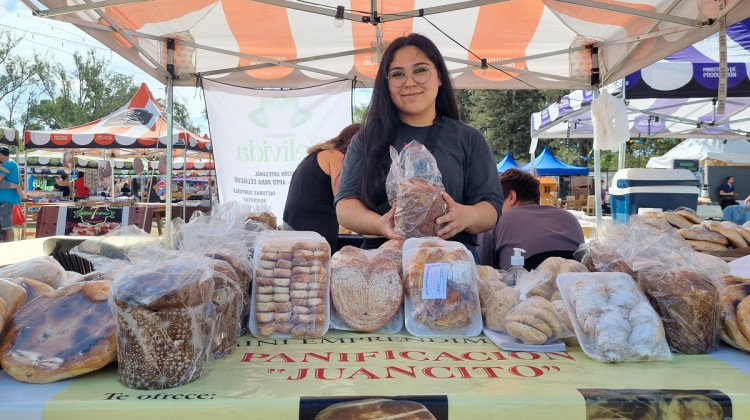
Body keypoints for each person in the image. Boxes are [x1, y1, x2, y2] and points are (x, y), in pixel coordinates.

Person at [334, 33, 503, 262]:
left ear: (440, 77)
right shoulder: (366, 140)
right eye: (397, 74)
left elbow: (491, 206)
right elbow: (345, 204)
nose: (409, 82)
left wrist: (466, 215)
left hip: (451, 263)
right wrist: (380, 224)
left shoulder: (469, 139)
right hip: (382, 265)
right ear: (386, 83)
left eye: (420, 70)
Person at [478, 169, 585, 270]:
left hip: (523, 286)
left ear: (512, 197)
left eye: (497, 201)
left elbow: (483, 270)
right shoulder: (569, 218)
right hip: (573, 284)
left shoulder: (496, 220)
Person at [283, 123, 361, 250]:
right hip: (309, 232)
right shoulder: (336, 156)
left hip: (296, 225)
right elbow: (344, 197)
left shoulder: (320, 154)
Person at [0, 146, 23, 242]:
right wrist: (15, 185)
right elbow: (20, 181)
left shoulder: (8, 163)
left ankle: (8, 246)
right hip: (6, 198)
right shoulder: (11, 163)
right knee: (5, 226)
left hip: (5, 199)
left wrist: (15, 185)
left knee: (6, 226)